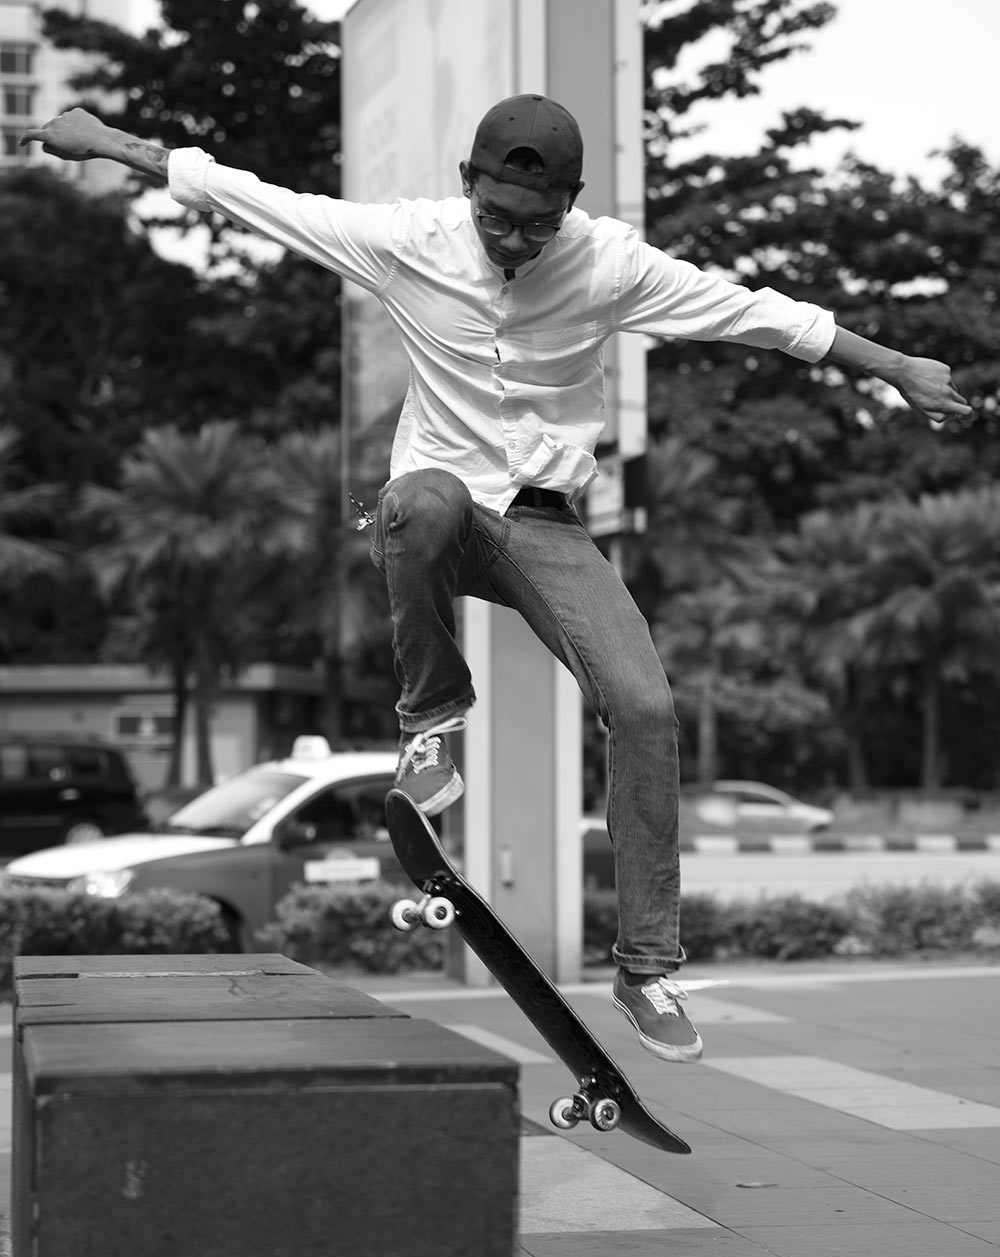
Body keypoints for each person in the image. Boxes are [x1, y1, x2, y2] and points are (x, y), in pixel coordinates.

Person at [23, 98, 972, 1064]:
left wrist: (894, 365)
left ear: (571, 201)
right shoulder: (405, 241)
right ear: (468, 182)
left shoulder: (609, 263)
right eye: (497, 217)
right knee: (416, 501)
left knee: (645, 709)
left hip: (545, 524)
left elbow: (756, 315)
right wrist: (106, 142)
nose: (514, 240)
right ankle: (430, 728)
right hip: (434, 514)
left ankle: (646, 966)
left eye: (538, 221)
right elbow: (245, 194)